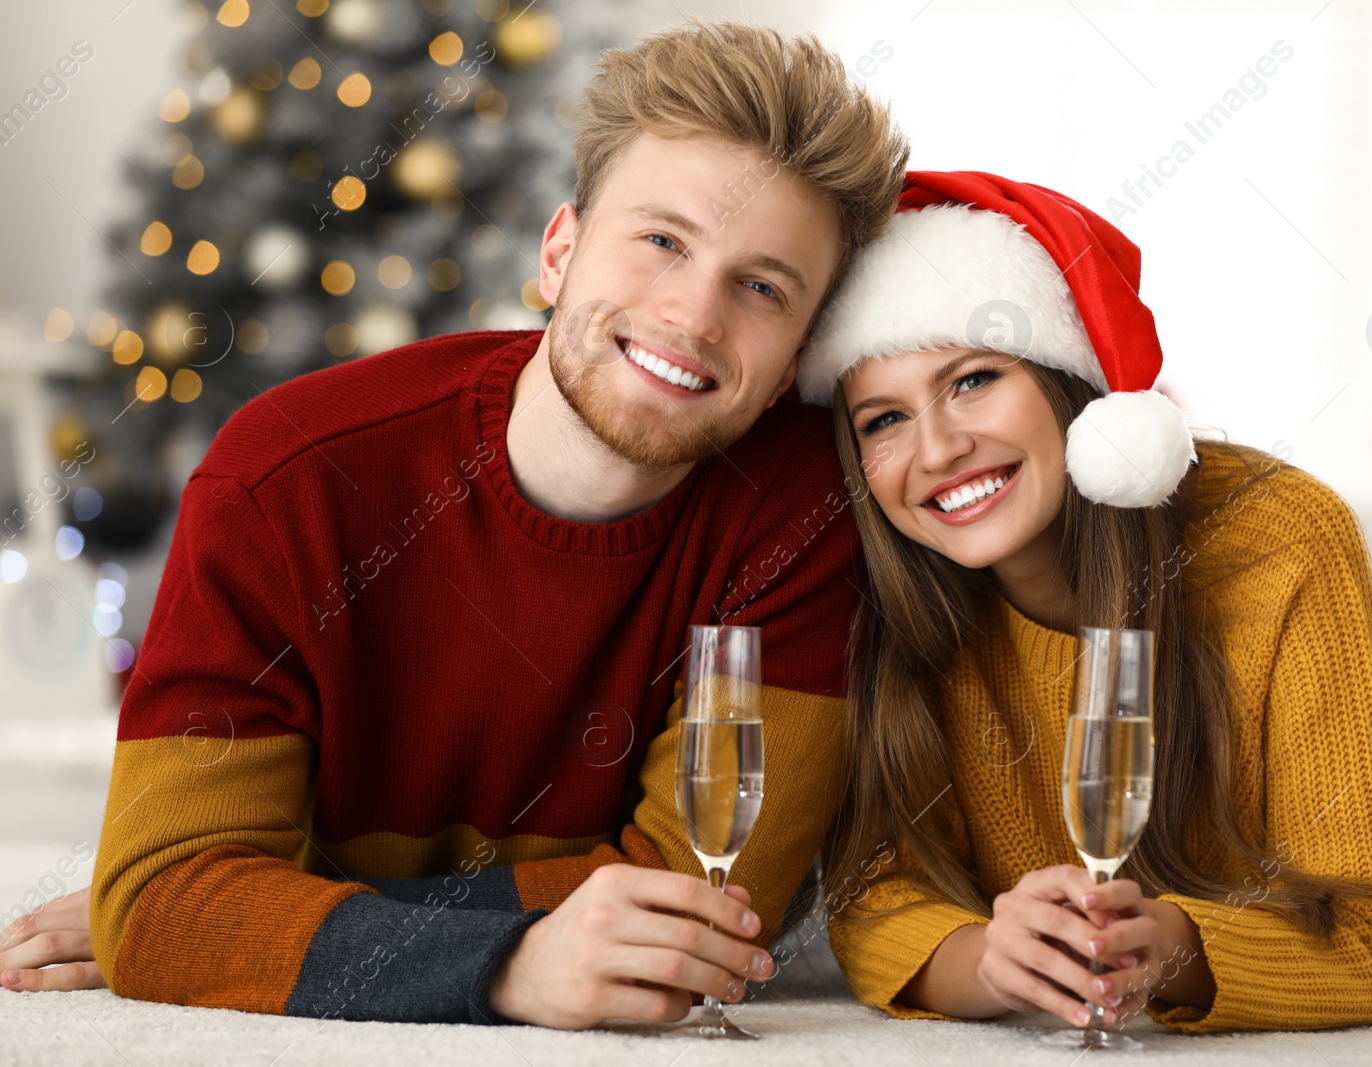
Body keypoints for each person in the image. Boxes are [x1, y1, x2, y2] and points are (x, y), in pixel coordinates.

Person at [0, 20, 908, 1028]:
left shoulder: (803, 512)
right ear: (559, 251)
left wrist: (270, 904)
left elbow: (702, 902)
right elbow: (167, 896)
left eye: (761, 286)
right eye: (660, 240)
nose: (693, 315)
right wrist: (507, 960)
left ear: (792, 360)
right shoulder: (284, 476)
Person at [805, 171, 1372, 1032]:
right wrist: (990, 959)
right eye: (882, 420)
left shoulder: (1282, 539)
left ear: (1073, 387)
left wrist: (1172, 946)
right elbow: (875, 898)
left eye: (972, 380)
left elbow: (1370, 942)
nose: (939, 448)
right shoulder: (890, 584)